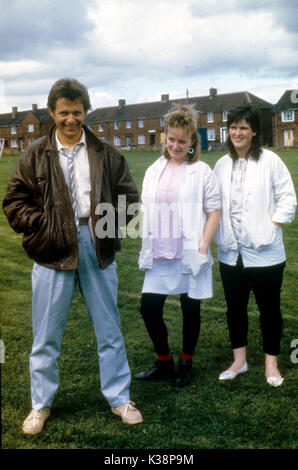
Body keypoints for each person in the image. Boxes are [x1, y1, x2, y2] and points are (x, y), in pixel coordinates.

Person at [2, 78, 143, 434]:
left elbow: (129, 199)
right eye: (63, 112)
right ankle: (40, 405)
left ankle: (119, 398)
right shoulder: (34, 152)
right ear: (52, 112)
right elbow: (14, 202)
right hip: (51, 249)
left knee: (109, 330)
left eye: (77, 112)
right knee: (46, 335)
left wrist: (105, 229)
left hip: (95, 244)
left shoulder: (105, 152)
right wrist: (42, 225)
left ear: (85, 112)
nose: (70, 119)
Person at [134, 104, 220, 387]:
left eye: (182, 141)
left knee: (189, 307)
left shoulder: (202, 171)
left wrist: (202, 248)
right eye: (171, 139)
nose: (176, 145)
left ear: (192, 141)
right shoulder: (154, 169)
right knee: (148, 307)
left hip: (189, 251)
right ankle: (163, 362)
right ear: (165, 137)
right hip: (160, 252)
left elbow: (214, 211)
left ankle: (186, 362)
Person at [213, 105, 296, 387]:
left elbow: (288, 199)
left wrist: (271, 227)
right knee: (234, 309)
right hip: (230, 252)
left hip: (266, 253)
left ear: (254, 131)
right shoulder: (222, 164)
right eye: (233, 127)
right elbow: (212, 204)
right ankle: (240, 361)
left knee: (269, 309)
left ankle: (271, 364)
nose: (237, 132)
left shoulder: (271, 161)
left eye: (244, 127)